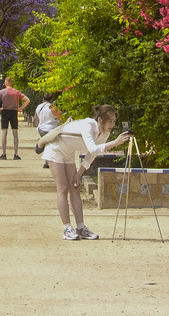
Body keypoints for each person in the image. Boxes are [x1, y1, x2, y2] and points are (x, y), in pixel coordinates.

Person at [37, 103, 133, 241]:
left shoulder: (105, 133)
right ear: (100, 120)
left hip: (68, 153)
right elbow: (93, 148)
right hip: (55, 149)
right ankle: (67, 228)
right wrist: (115, 143)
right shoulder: (88, 125)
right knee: (63, 188)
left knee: (75, 188)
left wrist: (79, 173)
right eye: (110, 121)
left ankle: (80, 227)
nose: (112, 125)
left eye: (114, 121)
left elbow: (91, 155)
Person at [0, 76, 30, 159]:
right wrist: (20, 108)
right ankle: (16, 154)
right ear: (11, 83)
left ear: (5, 83)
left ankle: (4, 153)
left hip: (5, 112)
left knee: (4, 133)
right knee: (15, 134)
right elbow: (27, 100)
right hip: (14, 112)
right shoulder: (17, 92)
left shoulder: (2, 92)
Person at [33, 95, 64, 169]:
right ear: (52, 100)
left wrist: (38, 127)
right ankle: (48, 161)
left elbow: (36, 118)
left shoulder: (39, 106)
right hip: (51, 129)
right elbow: (61, 116)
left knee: (47, 144)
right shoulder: (52, 107)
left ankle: (46, 161)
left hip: (41, 129)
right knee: (51, 145)